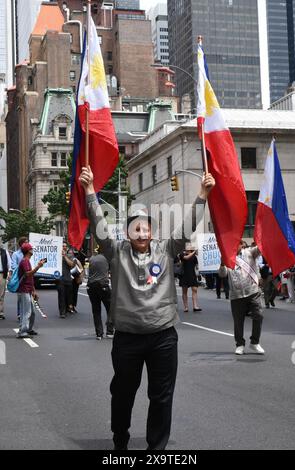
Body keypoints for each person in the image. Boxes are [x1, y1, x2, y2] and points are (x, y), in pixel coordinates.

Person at [79, 165, 215, 450]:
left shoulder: (167, 249)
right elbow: (99, 225)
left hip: (163, 337)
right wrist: (90, 190)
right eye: (135, 229)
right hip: (127, 338)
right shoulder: (115, 252)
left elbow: (188, 225)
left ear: (152, 232)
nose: (141, 234)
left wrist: (203, 193)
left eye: (146, 229)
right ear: (127, 233)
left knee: (161, 396)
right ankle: (120, 440)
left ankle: (157, 449)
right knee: (123, 393)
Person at [219, 240, 265, 355]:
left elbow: (261, 248)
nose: (235, 246)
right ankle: (240, 344)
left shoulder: (249, 252)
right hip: (236, 295)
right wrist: (222, 263)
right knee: (238, 321)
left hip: (253, 291)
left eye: (237, 244)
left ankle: (255, 342)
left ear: (241, 244)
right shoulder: (227, 257)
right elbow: (222, 274)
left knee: (258, 315)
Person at [17, 243, 46, 338]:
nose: (33, 250)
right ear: (28, 251)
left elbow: (30, 278)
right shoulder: (24, 261)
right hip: (24, 289)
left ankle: (28, 329)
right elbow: (28, 274)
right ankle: (22, 331)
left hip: (28, 289)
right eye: (31, 249)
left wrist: (33, 290)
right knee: (26, 311)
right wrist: (38, 266)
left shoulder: (27, 261)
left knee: (32, 311)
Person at [87, 247, 114, 340]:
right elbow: (111, 271)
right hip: (103, 285)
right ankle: (110, 331)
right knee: (110, 309)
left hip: (91, 286)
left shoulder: (92, 258)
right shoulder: (107, 258)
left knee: (96, 310)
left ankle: (99, 334)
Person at [179, 244, 202, 312]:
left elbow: (196, 266)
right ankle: (186, 307)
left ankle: (195, 306)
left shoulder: (194, 256)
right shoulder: (182, 254)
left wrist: (198, 271)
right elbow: (186, 258)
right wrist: (194, 252)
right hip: (184, 275)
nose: (188, 248)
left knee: (195, 289)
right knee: (184, 291)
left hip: (192, 274)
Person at [11, 236, 28, 320]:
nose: (27, 244)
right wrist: (22, 268)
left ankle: (26, 313)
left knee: (28, 297)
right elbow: (13, 266)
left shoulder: (29, 253)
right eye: (26, 242)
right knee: (20, 296)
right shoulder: (15, 254)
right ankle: (19, 314)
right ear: (21, 244)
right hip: (20, 277)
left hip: (28, 277)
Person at [57, 242, 76, 318]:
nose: (64, 247)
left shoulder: (70, 256)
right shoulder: (57, 256)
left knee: (68, 296)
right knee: (61, 296)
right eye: (62, 246)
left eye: (65, 246)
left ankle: (68, 307)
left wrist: (64, 256)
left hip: (68, 278)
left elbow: (71, 265)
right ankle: (62, 312)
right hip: (59, 279)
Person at [0, 244, 12, 320]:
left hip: (2, 274)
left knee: (1, 294)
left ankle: (0, 313)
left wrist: (10, 273)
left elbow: (9, 263)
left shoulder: (4, 252)